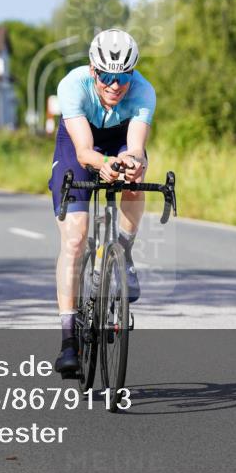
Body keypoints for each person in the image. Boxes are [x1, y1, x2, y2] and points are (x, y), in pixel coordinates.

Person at [48, 29, 155, 374]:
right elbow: (83, 151)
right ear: (93, 70)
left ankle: (122, 253)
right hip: (79, 143)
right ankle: (68, 340)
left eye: (122, 77)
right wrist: (100, 164)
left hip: (119, 138)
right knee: (76, 238)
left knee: (135, 177)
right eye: (106, 76)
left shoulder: (143, 91)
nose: (114, 85)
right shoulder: (72, 85)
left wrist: (131, 163)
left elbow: (136, 146)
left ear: (132, 74)